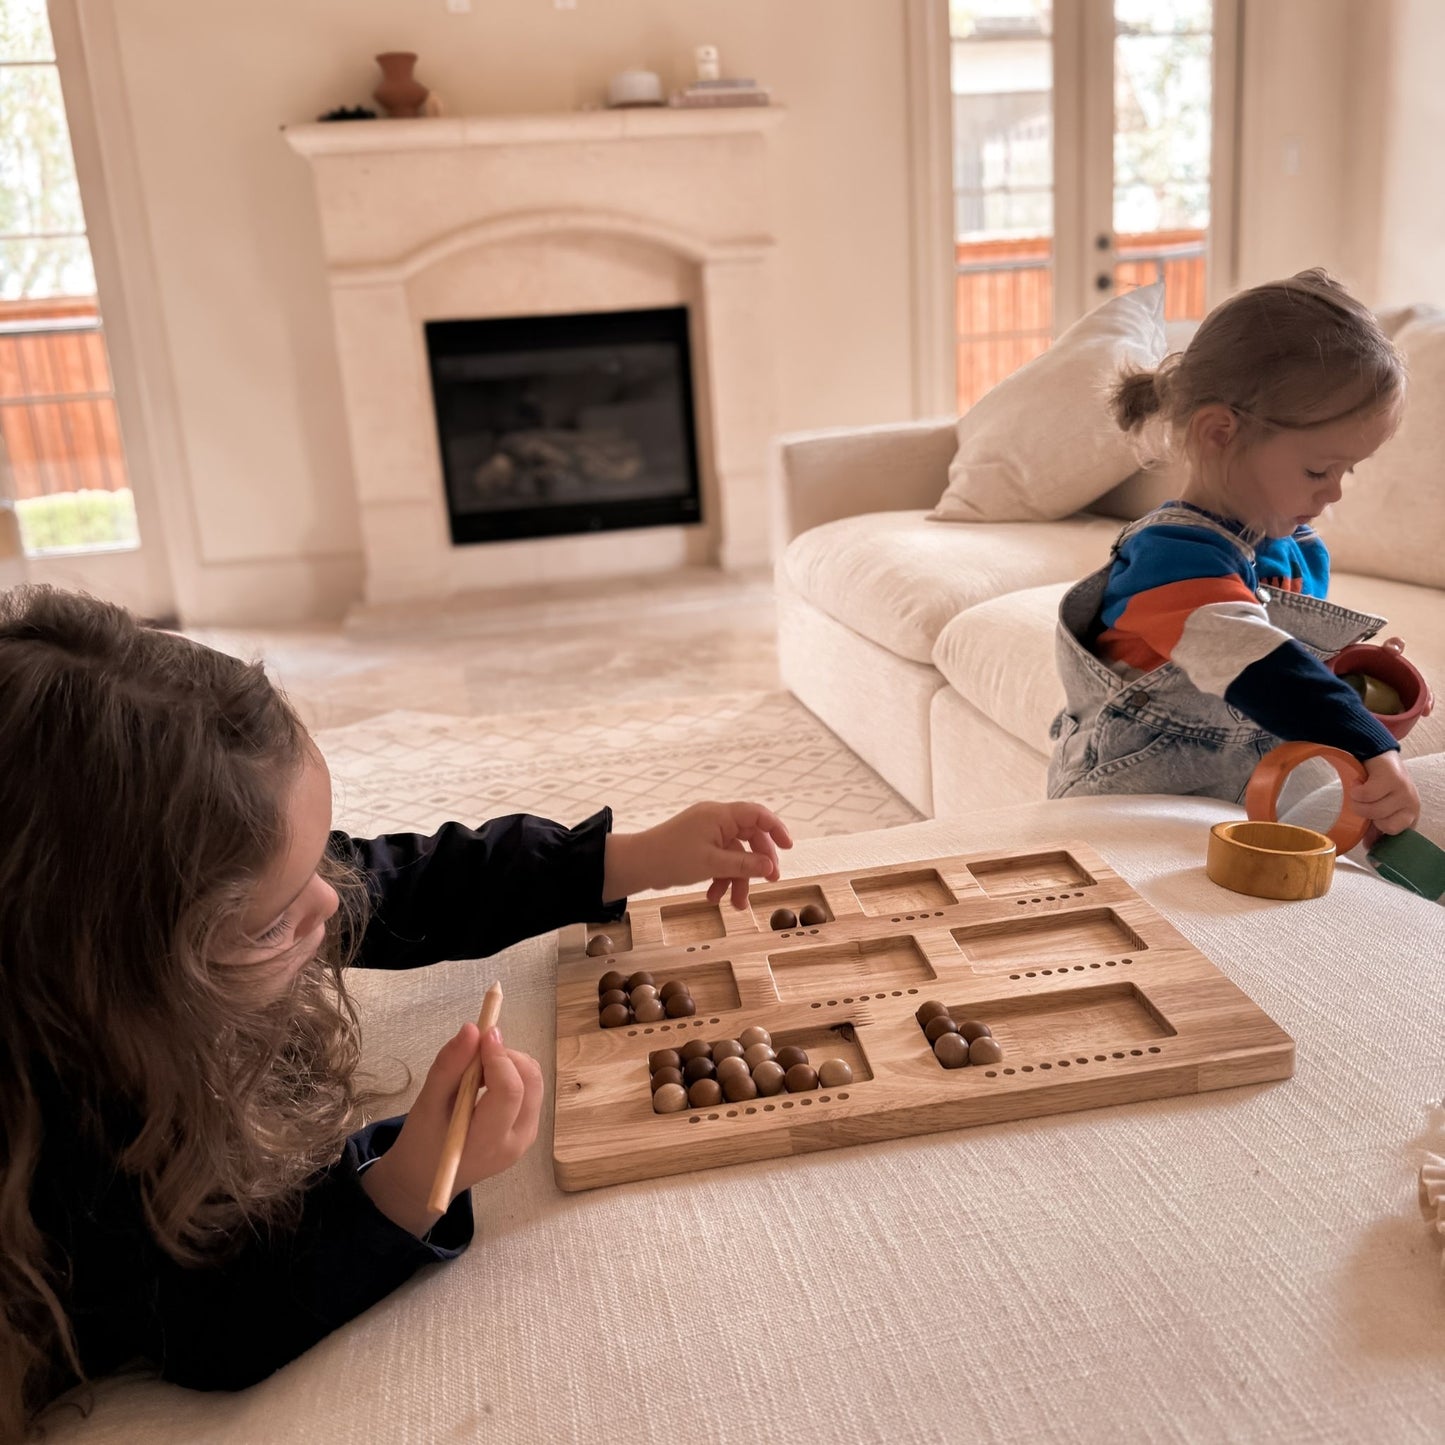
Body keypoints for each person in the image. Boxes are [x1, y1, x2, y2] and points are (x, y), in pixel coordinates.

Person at [0, 584, 793, 1436]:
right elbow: (210, 1323)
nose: (329, 906)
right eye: (273, 921)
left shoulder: (200, 892)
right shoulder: (78, 1123)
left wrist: (616, 859)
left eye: (315, 857)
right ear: (126, 985)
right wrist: (407, 1184)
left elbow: (404, 879)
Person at [1047, 268, 1420, 835]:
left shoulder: (1297, 549)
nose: (1335, 490)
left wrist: (1345, 676)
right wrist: (1361, 737)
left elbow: (1284, 670)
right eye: (1319, 468)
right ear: (1219, 433)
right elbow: (1256, 661)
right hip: (1122, 801)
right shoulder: (1172, 558)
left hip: (1240, 788)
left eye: (1349, 470)